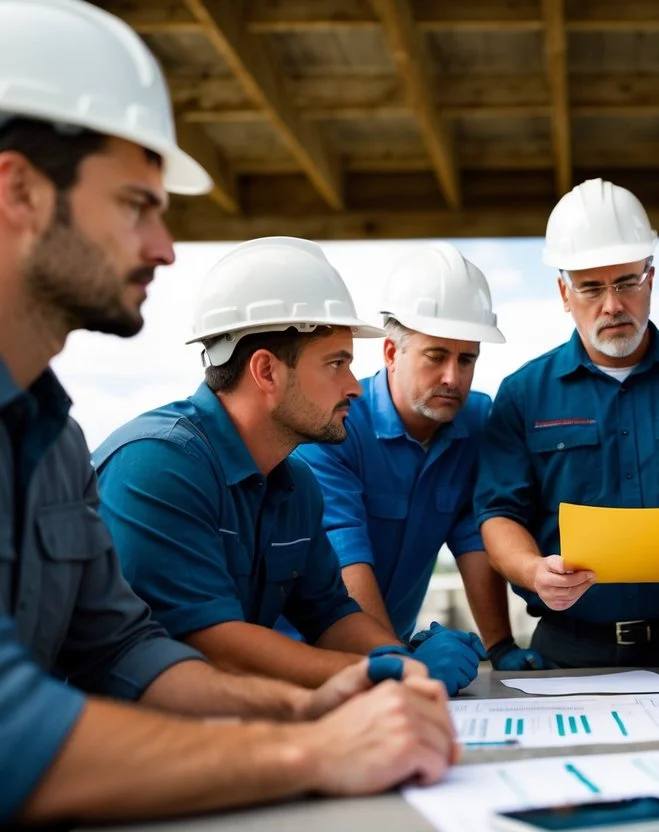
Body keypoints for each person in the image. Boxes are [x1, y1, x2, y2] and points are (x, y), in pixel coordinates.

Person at [0, 1, 453, 824]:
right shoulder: (153, 461)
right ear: (19, 190)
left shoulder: (54, 443)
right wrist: (310, 750)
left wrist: (305, 706)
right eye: (139, 203)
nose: (165, 247)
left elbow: (125, 648)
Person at [92, 237, 442, 689]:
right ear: (267, 371)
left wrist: (398, 656)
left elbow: (332, 614)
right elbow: (215, 646)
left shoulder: (295, 482)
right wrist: (386, 675)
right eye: (336, 363)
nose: (355, 386)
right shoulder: (156, 465)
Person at [475, 178, 659, 668]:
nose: (612, 304)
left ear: (651, 280)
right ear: (563, 293)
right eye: (591, 288)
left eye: (626, 283)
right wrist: (534, 572)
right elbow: (498, 514)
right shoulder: (523, 394)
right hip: (564, 650)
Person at [296, 242, 546, 677]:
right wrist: (399, 661)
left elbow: (473, 539)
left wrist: (501, 645)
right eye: (436, 356)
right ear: (392, 353)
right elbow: (346, 555)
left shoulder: (477, 421)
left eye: (466, 359)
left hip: (393, 651)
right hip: (307, 655)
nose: (453, 376)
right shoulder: (336, 427)